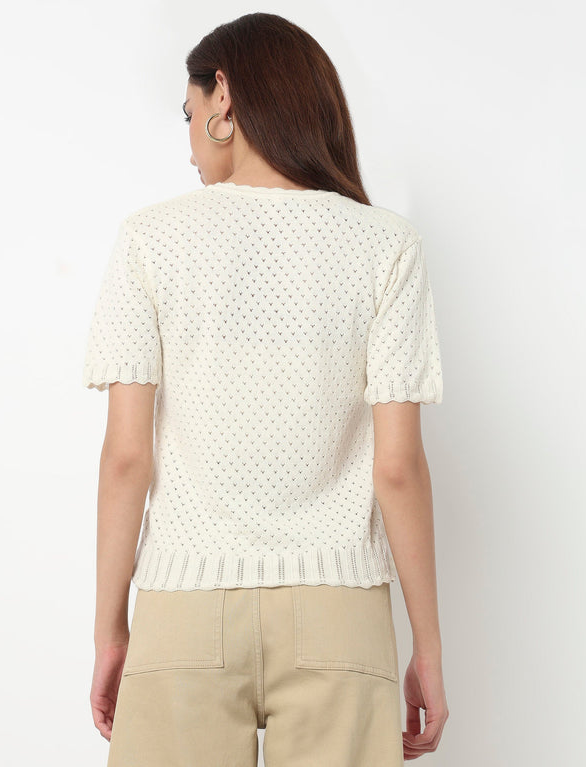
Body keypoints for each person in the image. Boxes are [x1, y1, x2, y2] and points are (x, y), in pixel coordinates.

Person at [84, 12, 449, 766]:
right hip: (339, 613)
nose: (189, 140)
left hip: (183, 608)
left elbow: (126, 458)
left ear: (222, 96)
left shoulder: (150, 239)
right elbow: (397, 468)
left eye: (188, 113)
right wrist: (428, 648)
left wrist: (112, 631)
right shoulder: (385, 245)